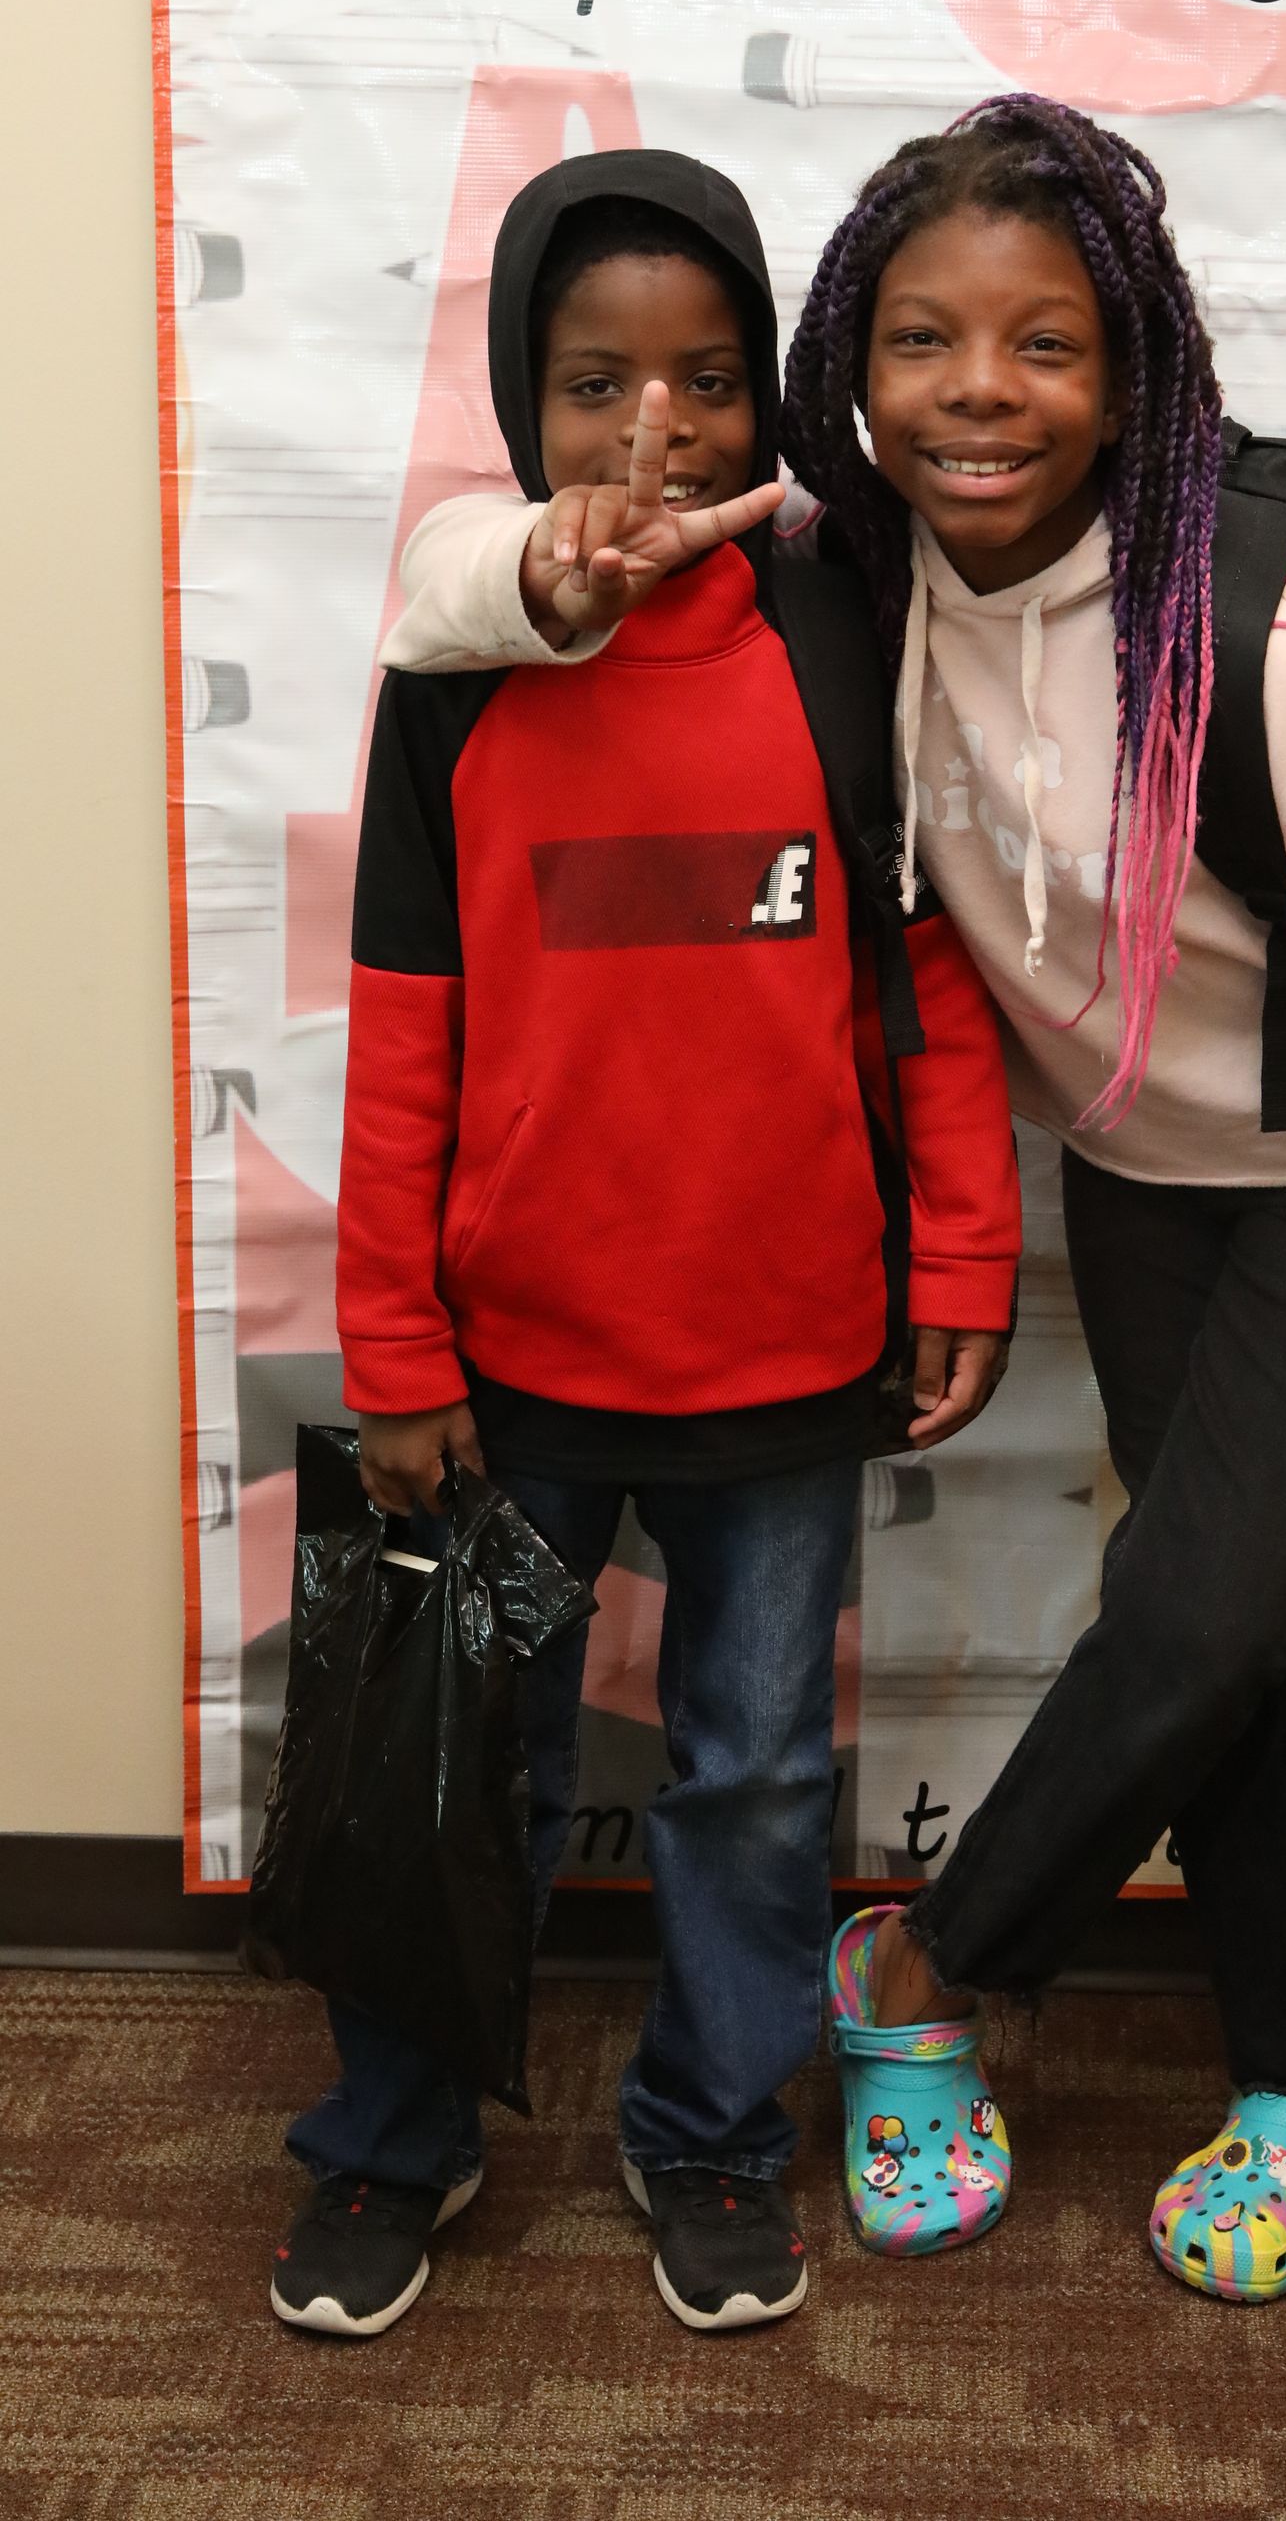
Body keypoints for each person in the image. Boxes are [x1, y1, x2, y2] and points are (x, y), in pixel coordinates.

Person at [381, 98, 1286, 2306]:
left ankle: (923, 1966)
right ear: (852, 366)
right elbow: (460, 596)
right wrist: (542, 566)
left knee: (1201, 1622)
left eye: (1044, 345)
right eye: (925, 340)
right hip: (1139, 1176)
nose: (980, 393)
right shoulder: (856, 568)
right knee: (1218, 1663)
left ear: (1132, 370)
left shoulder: (1269, 647)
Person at [273, 149, 1021, 2343]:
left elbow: (928, 979)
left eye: (707, 384)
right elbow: (406, 1027)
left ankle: (704, 2136)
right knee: (462, 1778)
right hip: (509, 1361)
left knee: (760, 1767)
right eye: (598, 384)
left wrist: (961, 1258)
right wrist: (393, 1345)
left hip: (789, 1349)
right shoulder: (456, 661)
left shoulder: (829, 623)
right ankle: (392, 2144)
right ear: (527, 400)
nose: (656, 437)